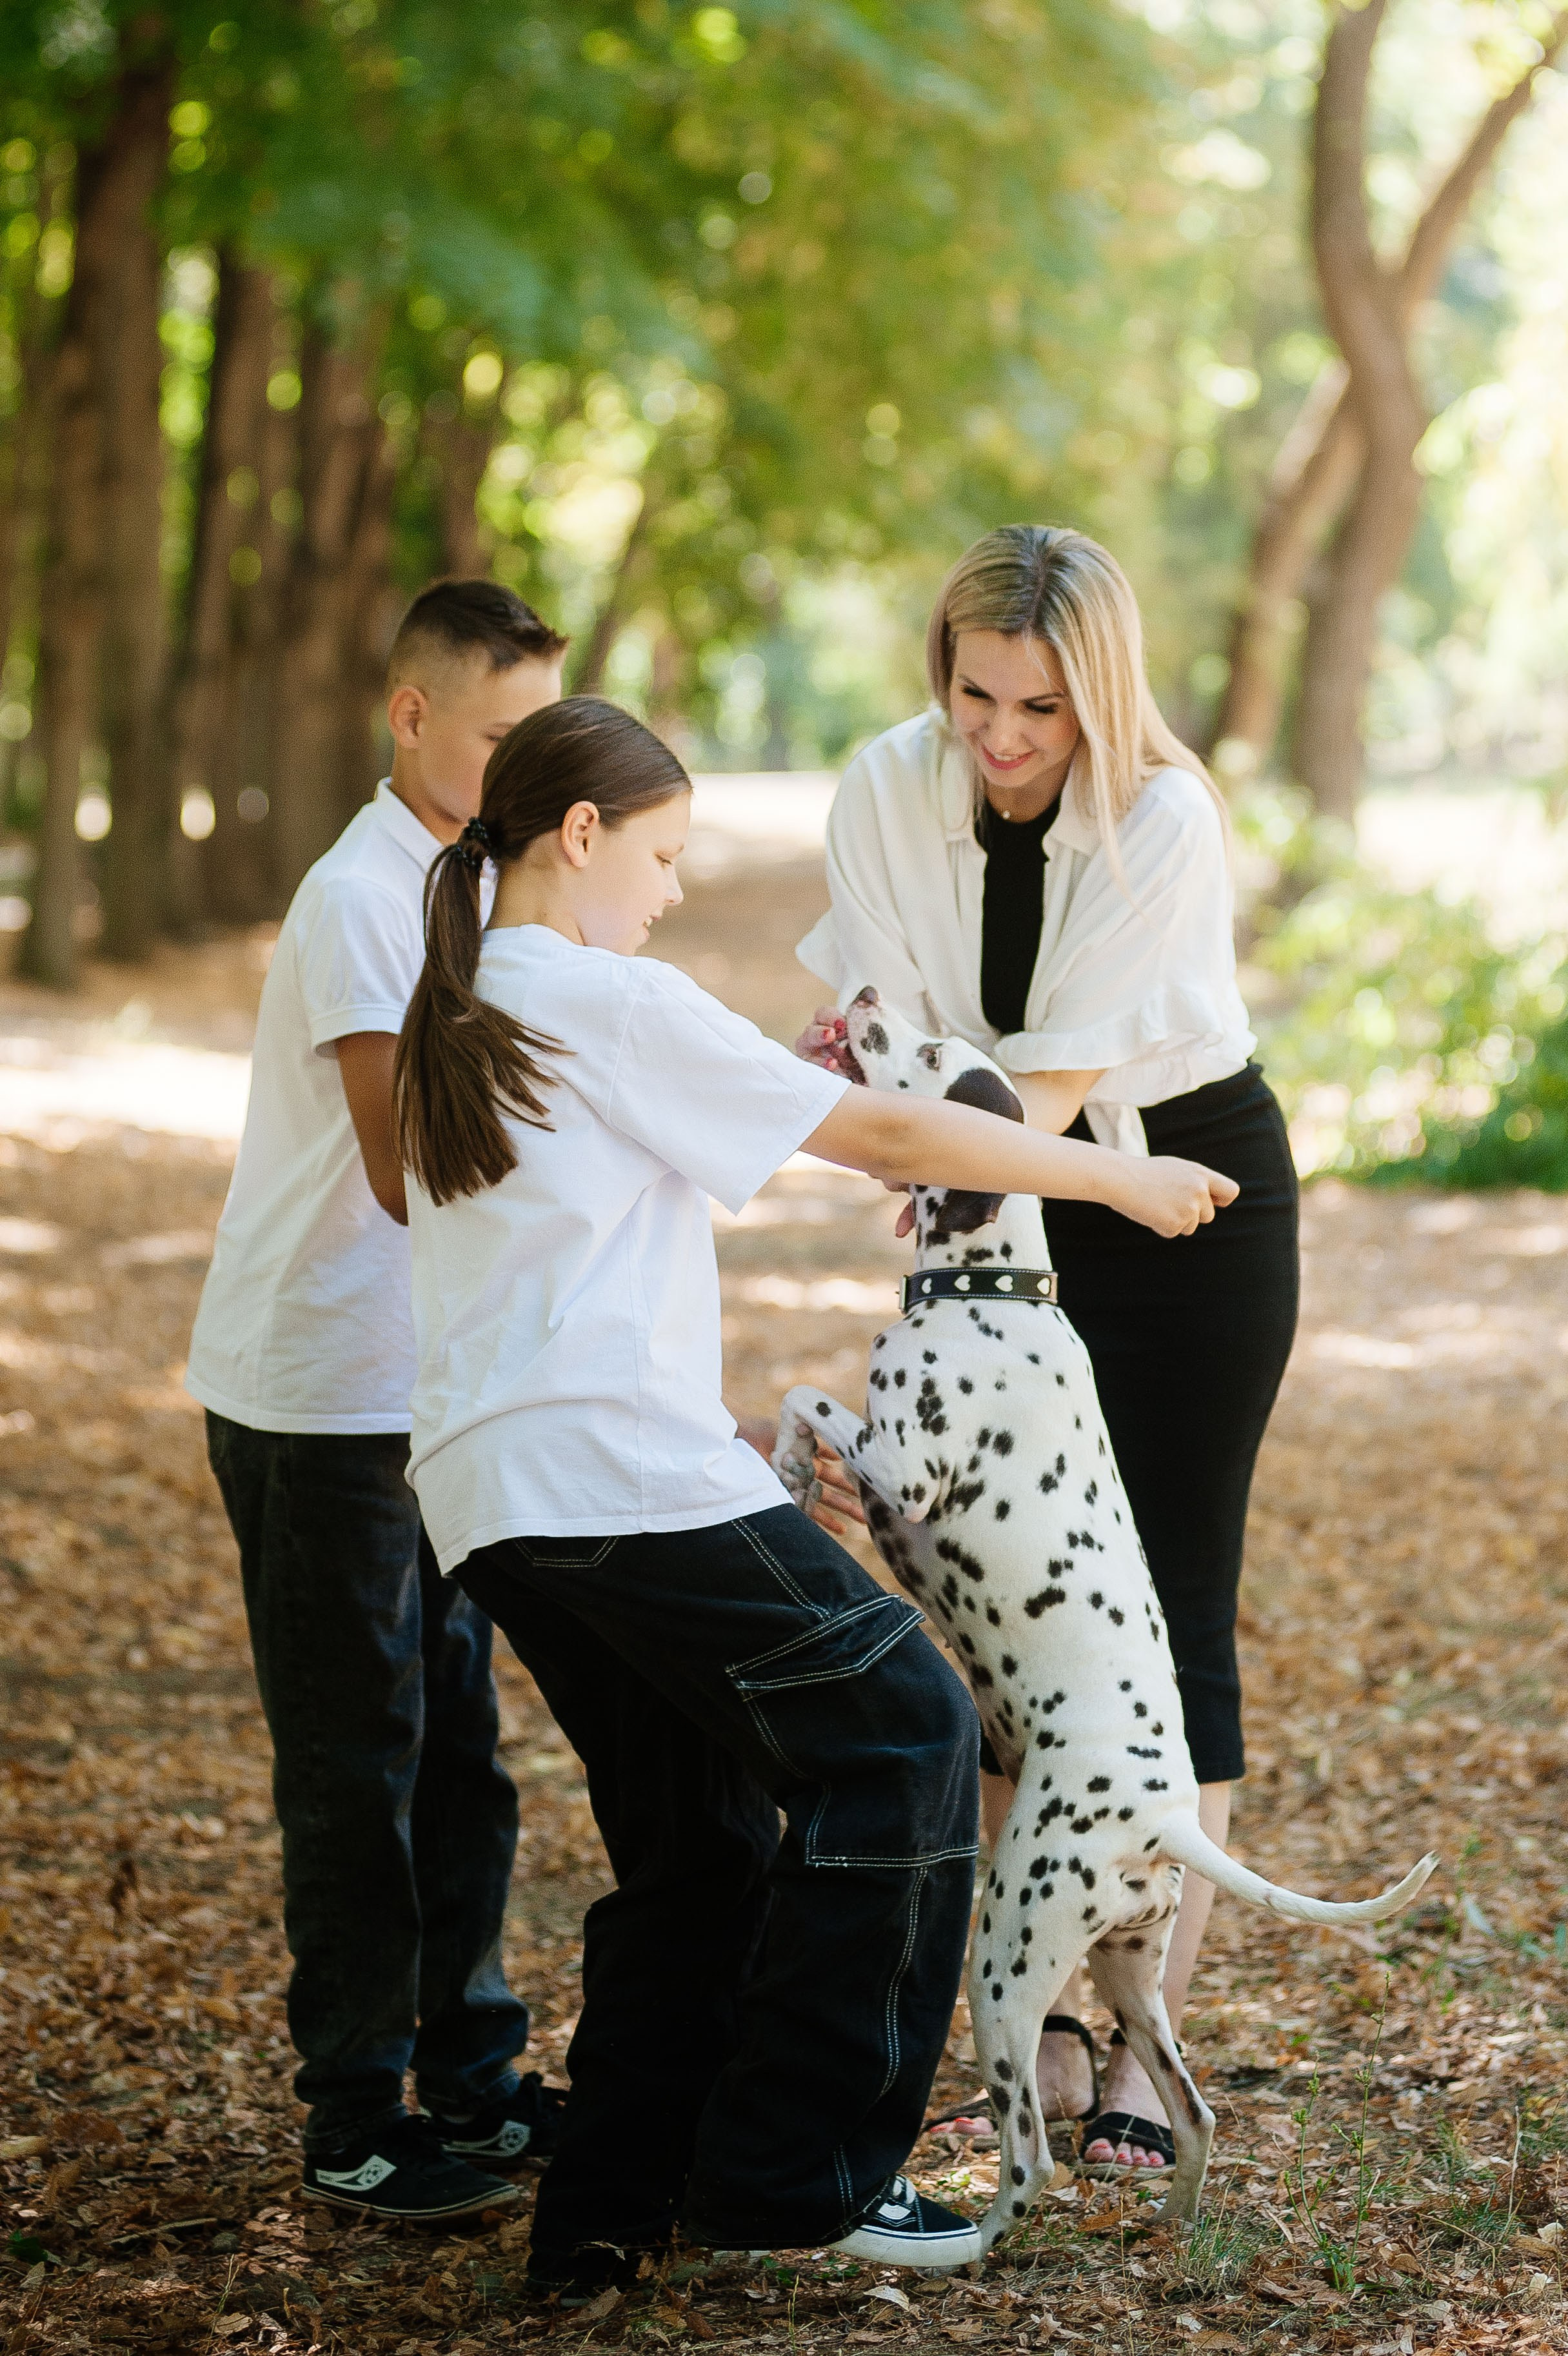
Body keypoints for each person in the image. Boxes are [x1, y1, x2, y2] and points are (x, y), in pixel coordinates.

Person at [390, 691, 1235, 2284]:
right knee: (906, 1738)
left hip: (505, 1498)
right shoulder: (596, 991)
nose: (673, 887)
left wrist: (741, 1452)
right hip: (606, 1485)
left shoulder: (473, 1000)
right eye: (663, 852)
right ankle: (794, 2179)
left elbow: (560, 1289)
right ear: (581, 837)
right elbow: (877, 1128)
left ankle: (607, 2213)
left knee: (702, 1847)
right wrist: (1112, 1173)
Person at [794, 525, 1300, 2179]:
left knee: (1158, 1621)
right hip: (994, 1185)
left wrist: (925, 1144)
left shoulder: (1163, 813)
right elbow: (889, 1046)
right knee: (1006, 1638)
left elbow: (1049, 1102)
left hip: (1170, 1204)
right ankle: (1050, 2030)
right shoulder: (881, 786)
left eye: (1040, 707)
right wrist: (924, 1141)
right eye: (974, 694)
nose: (1001, 736)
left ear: (1103, 696)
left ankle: (1140, 2049)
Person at [186, 579, 571, 2222]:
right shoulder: (366, 897)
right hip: (314, 1389)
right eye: (503, 739)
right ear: (410, 717)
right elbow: (410, 1173)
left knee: (462, 1752)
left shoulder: (482, 877)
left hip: (426, 1393)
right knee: (360, 1759)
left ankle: (473, 2078)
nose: (533, 771)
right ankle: (355, 2112)